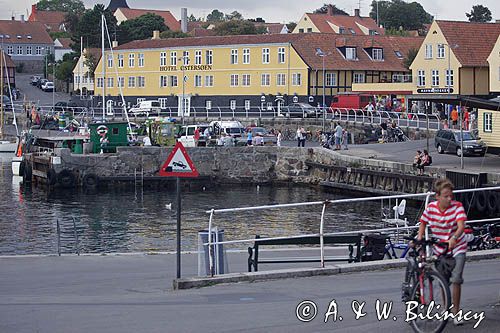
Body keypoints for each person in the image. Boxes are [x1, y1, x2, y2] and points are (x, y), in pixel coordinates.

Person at [417, 178, 467, 326]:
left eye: (450, 195)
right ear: (437, 196)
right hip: (440, 248)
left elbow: (461, 226)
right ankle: (447, 310)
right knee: (443, 281)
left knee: (456, 278)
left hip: (458, 246)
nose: (449, 199)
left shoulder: (457, 207)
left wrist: (454, 237)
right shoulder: (431, 208)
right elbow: (423, 222)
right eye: (445, 196)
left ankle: (456, 312)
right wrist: (420, 237)